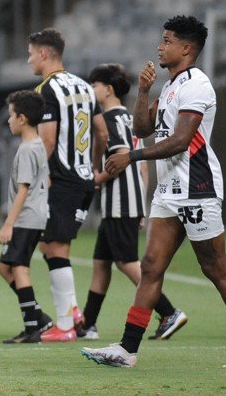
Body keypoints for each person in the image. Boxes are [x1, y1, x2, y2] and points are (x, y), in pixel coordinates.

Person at [83, 15, 226, 369]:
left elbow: (181, 141)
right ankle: (127, 349)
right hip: (169, 191)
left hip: (197, 188)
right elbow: (142, 128)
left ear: (186, 49)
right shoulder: (170, 86)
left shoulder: (197, 85)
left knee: (215, 268)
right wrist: (143, 92)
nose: (160, 47)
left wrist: (131, 156)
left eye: (167, 41)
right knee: (151, 266)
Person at [79, 63, 186, 342]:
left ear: (108, 89)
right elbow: (142, 165)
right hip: (126, 202)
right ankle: (88, 324)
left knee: (127, 262)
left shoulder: (110, 119)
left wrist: (95, 180)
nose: (91, 90)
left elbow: (122, 157)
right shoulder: (130, 118)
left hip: (119, 202)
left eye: (94, 85)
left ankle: (169, 312)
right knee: (101, 263)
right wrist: (141, 204)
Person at [26, 28, 101, 341]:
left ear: (44, 54)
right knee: (51, 246)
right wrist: (92, 166)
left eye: (31, 54)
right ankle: (73, 313)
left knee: (55, 247)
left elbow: (47, 140)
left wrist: (33, 181)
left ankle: (66, 324)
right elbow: (102, 132)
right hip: (83, 179)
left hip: (61, 179)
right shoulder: (84, 86)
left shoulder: (47, 89)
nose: (29, 60)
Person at [0, 90, 51, 344]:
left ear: (22, 118)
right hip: (34, 216)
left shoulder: (28, 149)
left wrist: (8, 224)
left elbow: (24, 189)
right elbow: (46, 181)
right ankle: (39, 318)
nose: (9, 120)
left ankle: (32, 328)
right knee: (4, 267)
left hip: (26, 218)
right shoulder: (37, 144)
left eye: (11, 115)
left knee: (19, 268)